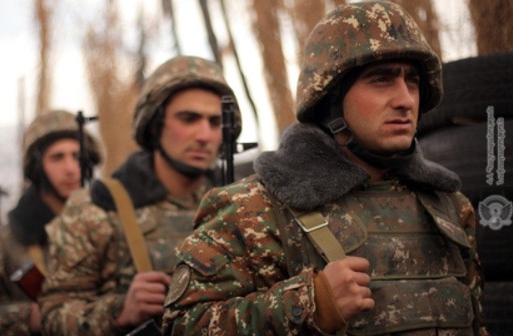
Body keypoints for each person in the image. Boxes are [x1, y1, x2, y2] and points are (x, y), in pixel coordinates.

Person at [162, 2, 489, 335]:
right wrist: (309, 304)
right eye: (381, 80)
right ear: (330, 98)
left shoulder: (450, 209)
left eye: (413, 81)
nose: (405, 99)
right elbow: (183, 326)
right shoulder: (251, 209)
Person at [38, 55, 241, 335]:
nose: (204, 135)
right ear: (155, 124)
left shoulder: (240, 204)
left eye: (215, 122)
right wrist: (120, 311)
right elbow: (52, 316)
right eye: (189, 118)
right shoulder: (94, 209)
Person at [0, 110, 100, 335]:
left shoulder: (106, 234)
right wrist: (31, 317)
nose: (71, 168)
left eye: (77, 156)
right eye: (57, 157)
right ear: (36, 167)